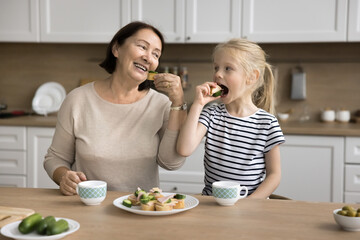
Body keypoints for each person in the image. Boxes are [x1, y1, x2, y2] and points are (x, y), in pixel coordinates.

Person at [44, 21, 187, 196]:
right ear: (116, 49)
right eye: (142, 47)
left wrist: (178, 102)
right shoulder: (77, 99)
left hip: (141, 210)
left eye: (156, 55)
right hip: (88, 206)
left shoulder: (161, 105)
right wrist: (64, 176)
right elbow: (55, 158)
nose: (148, 58)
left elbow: (171, 163)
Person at [177, 39, 285, 199]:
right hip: (214, 205)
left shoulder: (267, 123)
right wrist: (198, 105)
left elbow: (274, 175)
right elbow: (184, 149)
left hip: (251, 207)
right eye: (216, 67)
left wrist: (251, 203)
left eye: (228, 68)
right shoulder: (211, 114)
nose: (218, 74)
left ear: (251, 77)